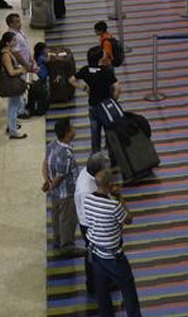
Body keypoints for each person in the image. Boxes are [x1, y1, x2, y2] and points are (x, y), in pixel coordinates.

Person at [84, 168, 143, 317]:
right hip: (114, 258)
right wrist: (120, 198)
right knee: (128, 289)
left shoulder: (87, 200)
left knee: (102, 294)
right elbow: (128, 219)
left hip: (96, 255)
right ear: (109, 184)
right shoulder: (113, 206)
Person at [42, 118, 84, 256]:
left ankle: (57, 240)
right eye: (72, 127)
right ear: (67, 133)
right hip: (66, 194)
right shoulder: (66, 154)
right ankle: (67, 246)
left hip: (55, 194)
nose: (74, 128)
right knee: (68, 219)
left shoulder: (52, 145)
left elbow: (44, 164)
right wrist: (51, 186)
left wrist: (47, 181)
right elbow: (60, 176)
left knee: (56, 217)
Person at [71, 46, 122, 153]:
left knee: (95, 131)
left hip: (93, 106)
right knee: (109, 129)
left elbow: (72, 80)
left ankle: (96, 154)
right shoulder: (106, 71)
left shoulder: (86, 70)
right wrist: (114, 100)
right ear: (100, 58)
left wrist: (84, 88)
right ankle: (110, 150)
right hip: (106, 106)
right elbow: (117, 87)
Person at [0, 31, 27, 135]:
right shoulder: (6, 55)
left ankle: (11, 126)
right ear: (7, 43)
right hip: (12, 83)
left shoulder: (9, 51)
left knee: (14, 105)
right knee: (14, 107)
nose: (15, 41)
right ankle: (13, 130)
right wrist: (21, 70)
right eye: (13, 40)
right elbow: (11, 71)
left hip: (12, 82)